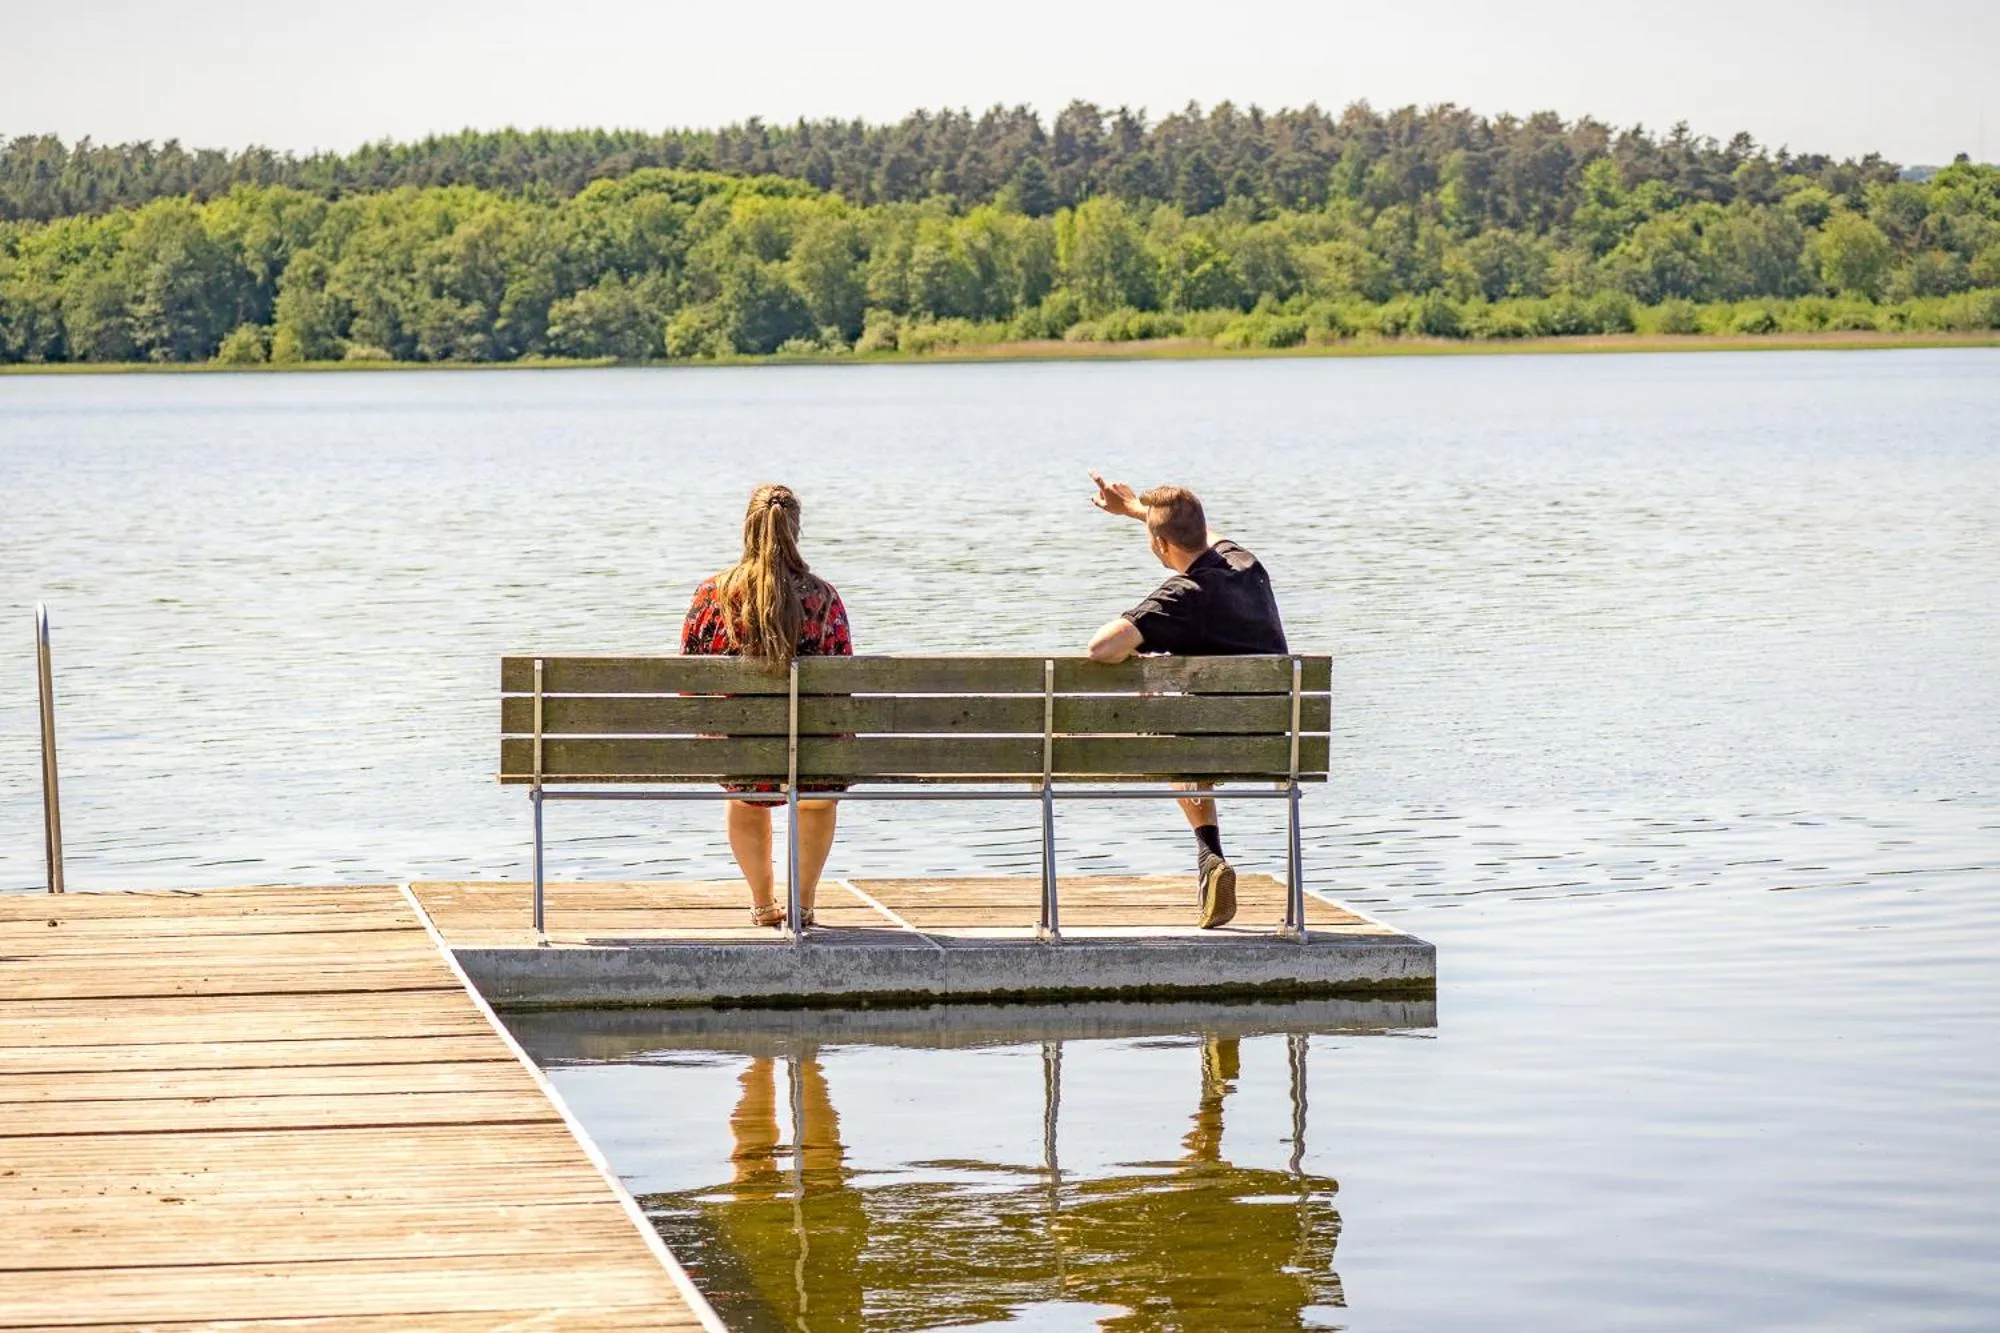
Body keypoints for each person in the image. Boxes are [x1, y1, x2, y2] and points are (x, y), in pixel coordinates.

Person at [1084, 474, 1289, 929]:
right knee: (1188, 721)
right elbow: (1206, 535)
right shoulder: (1247, 566)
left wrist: (1141, 653)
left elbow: (1101, 649)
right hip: (1278, 744)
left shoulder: (1182, 596)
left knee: (1171, 727)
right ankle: (1208, 863)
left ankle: (1210, 854)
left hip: (1205, 748)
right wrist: (1139, 510)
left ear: (1159, 545)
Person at [681, 483, 852, 929]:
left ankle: (762, 904)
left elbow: (689, 686)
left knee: (747, 796)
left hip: (742, 756)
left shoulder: (711, 596)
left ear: (747, 528)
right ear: (795, 530)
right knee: (817, 796)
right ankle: (804, 905)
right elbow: (843, 688)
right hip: (814, 755)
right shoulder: (824, 598)